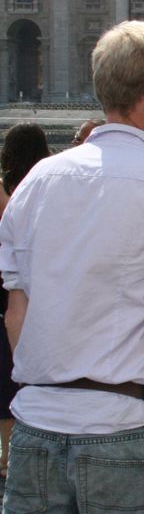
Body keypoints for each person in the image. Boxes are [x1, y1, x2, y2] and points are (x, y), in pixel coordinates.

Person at [0, 20, 144, 514]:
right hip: (125, 429)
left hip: (37, 427)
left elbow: (16, 308)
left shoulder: (37, 180)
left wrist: (49, 382)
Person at [0, 123, 50, 480]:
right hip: (34, 284)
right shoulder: (47, 183)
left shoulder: (9, 186)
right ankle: (11, 454)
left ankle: (8, 456)